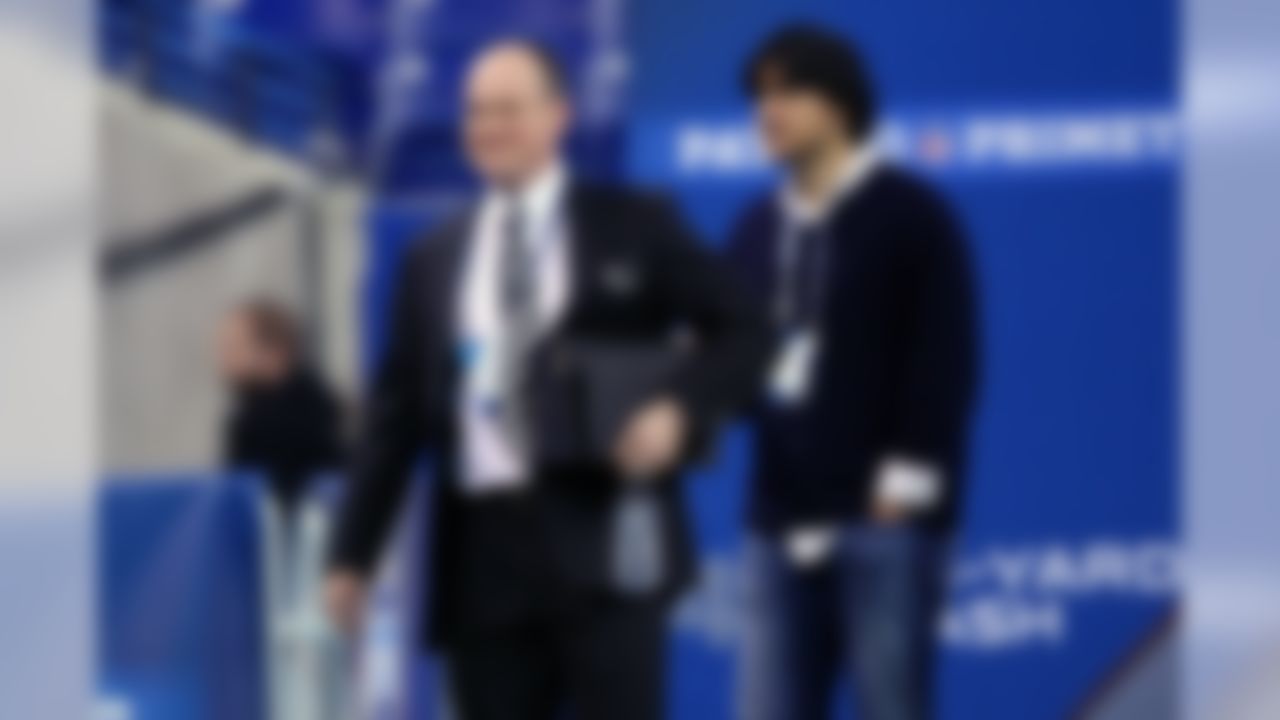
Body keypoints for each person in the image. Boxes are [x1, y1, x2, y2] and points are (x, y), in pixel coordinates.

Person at [324, 40, 767, 720]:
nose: (488, 127)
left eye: (509, 108)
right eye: (476, 111)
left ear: (558, 116)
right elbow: (395, 418)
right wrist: (351, 553)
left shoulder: (634, 223)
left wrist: (680, 408)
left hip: (608, 543)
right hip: (483, 564)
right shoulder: (431, 258)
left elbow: (746, 328)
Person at [727, 25, 980, 720]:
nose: (766, 111)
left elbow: (945, 363)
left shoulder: (914, 217)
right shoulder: (754, 227)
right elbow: (739, 362)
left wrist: (899, 491)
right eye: (758, 96)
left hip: (883, 527)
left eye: (787, 92)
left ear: (839, 105)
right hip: (776, 528)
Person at [218, 298, 344, 507]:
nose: (225, 357)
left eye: (234, 345)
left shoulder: (260, 424)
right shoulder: (326, 407)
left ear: (274, 349)